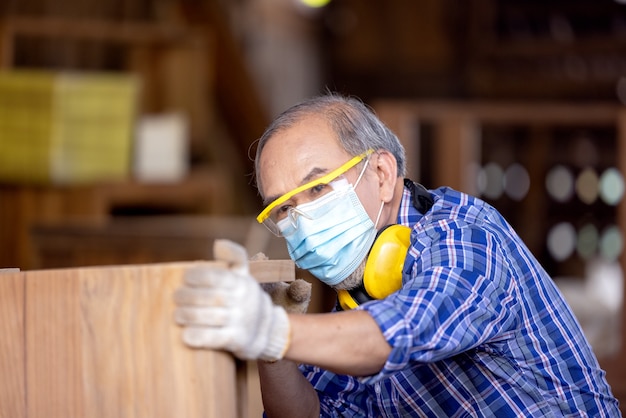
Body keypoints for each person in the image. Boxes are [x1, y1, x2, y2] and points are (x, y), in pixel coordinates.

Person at [174, 93, 620, 417]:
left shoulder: (464, 237)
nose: (302, 217)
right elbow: (308, 414)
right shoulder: (354, 296)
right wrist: (274, 353)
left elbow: (405, 328)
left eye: (317, 187)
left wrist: (272, 329)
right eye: (285, 207)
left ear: (383, 175)